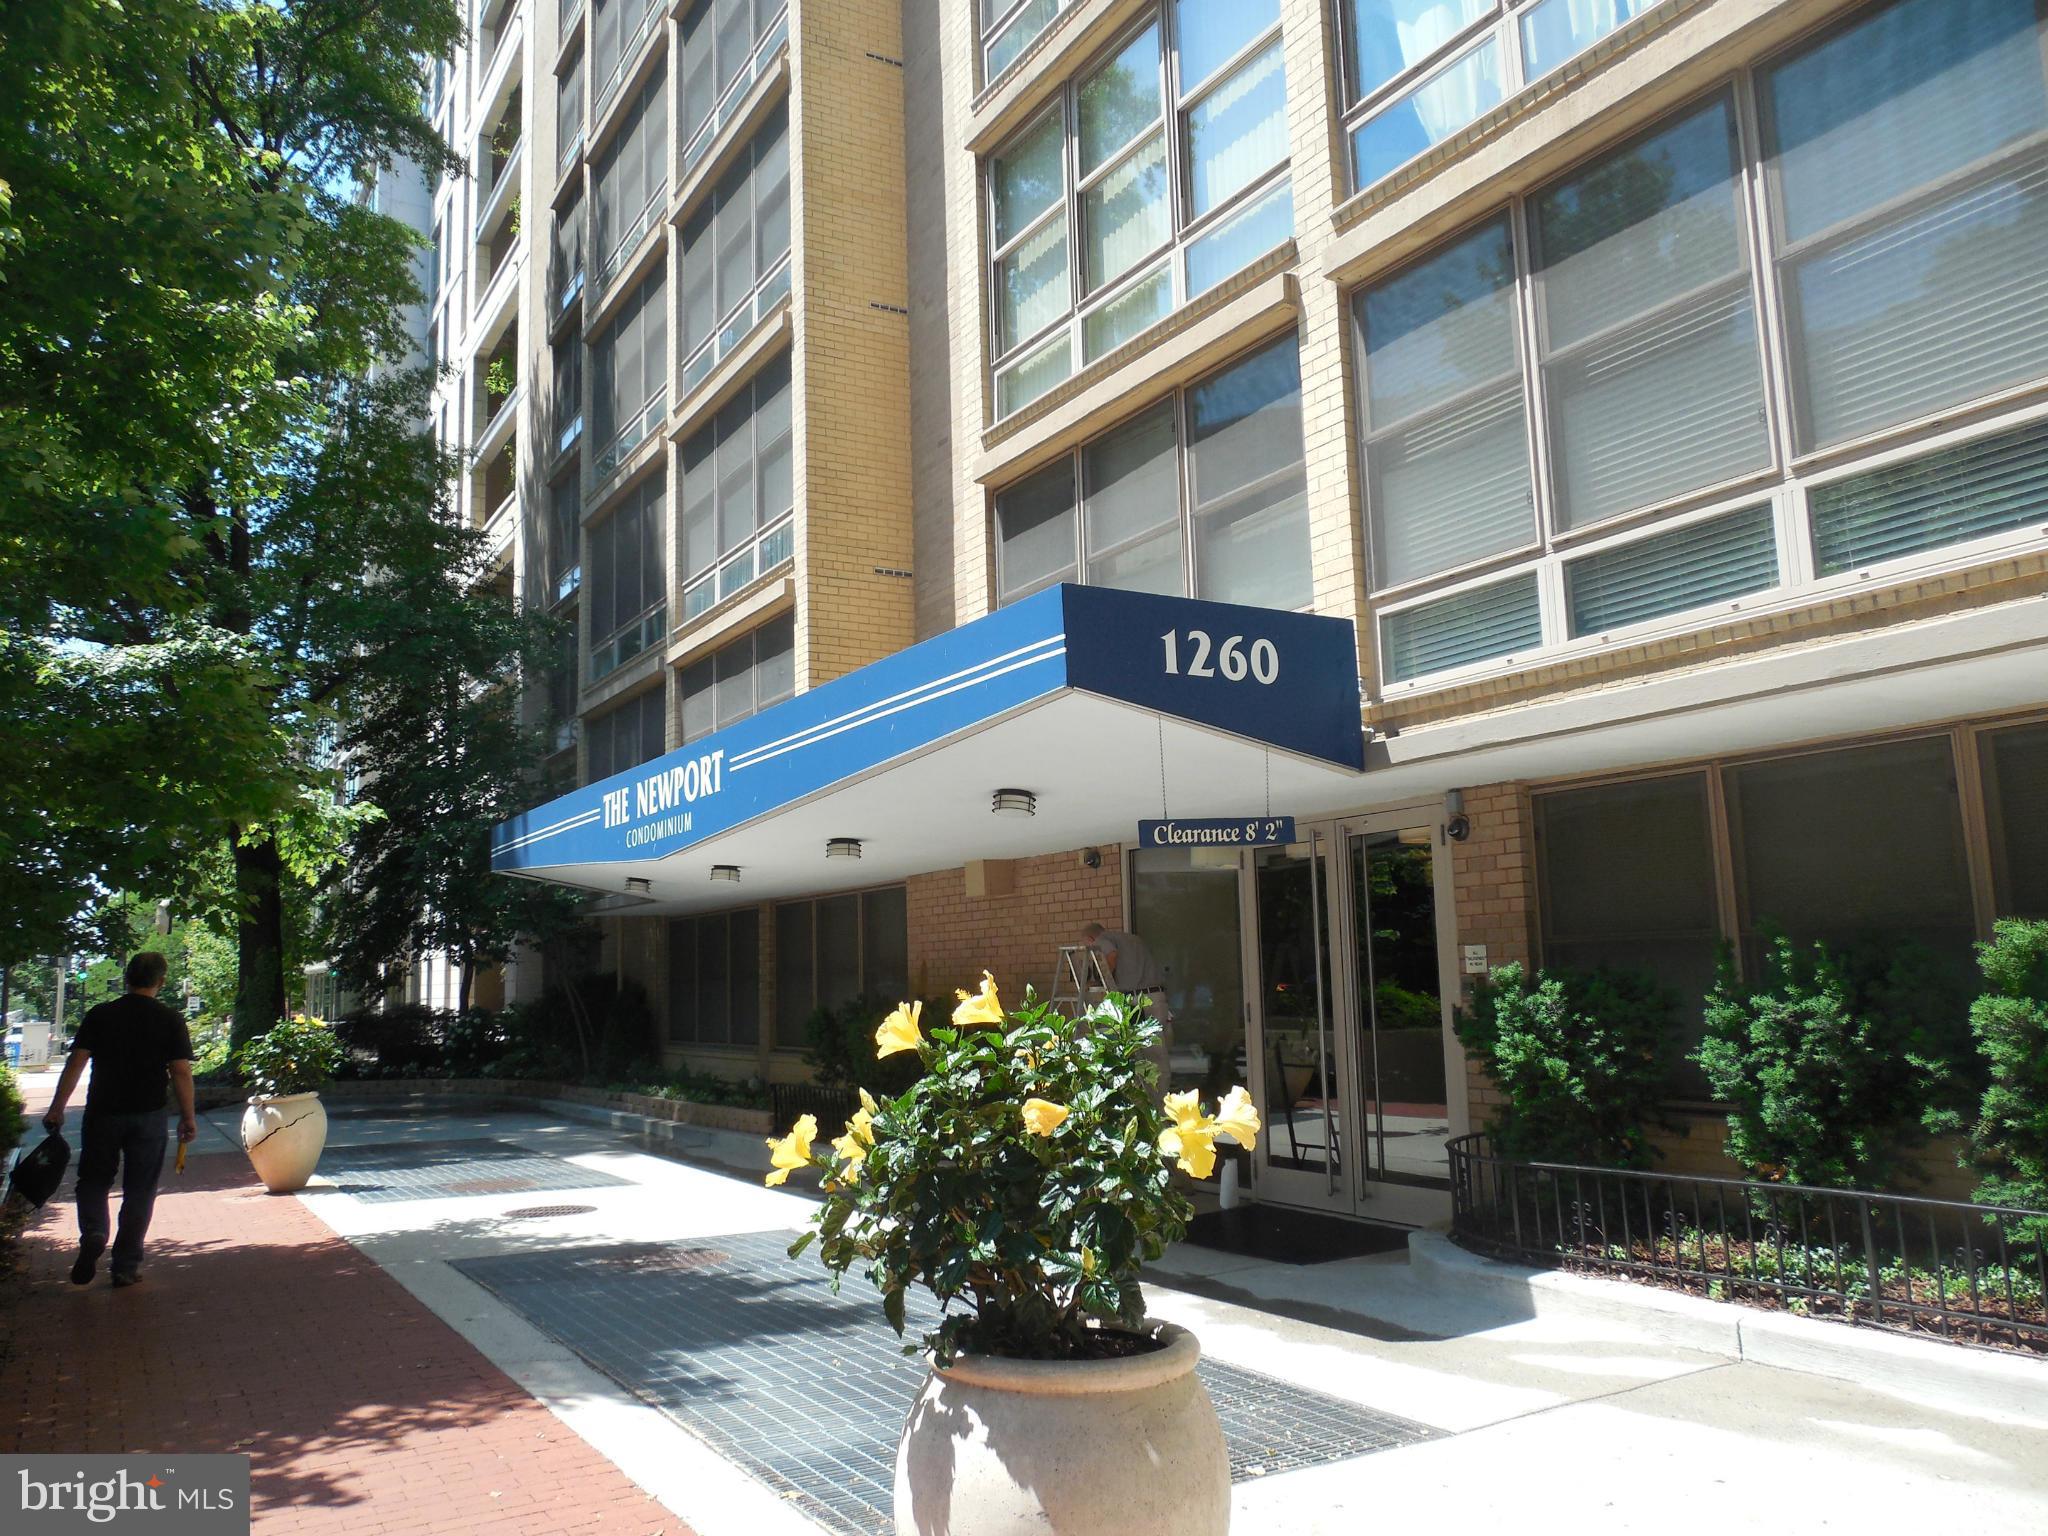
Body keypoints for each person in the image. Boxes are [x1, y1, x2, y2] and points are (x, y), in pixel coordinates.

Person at [41, 952, 198, 1288]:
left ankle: (95, 1231)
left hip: (103, 1112)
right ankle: (126, 1265)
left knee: (93, 1180)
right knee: (141, 1189)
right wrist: (188, 1116)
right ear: (161, 981)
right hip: (150, 1114)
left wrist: (57, 1107)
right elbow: (180, 1071)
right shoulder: (170, 1018)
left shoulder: (100, 1015)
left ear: (126, 978)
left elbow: (76, 1063)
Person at [1080, 922, 1174, 1084]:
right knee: (1157, 1053)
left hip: (1137, 1000)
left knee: (1137, 1053)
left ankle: (1146, 1096)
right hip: (1157, 997)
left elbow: (1111, 955)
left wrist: (1102, 980)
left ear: (1090, 939)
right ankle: (1162, 1096)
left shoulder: (1103, 939)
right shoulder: (1133, 939)